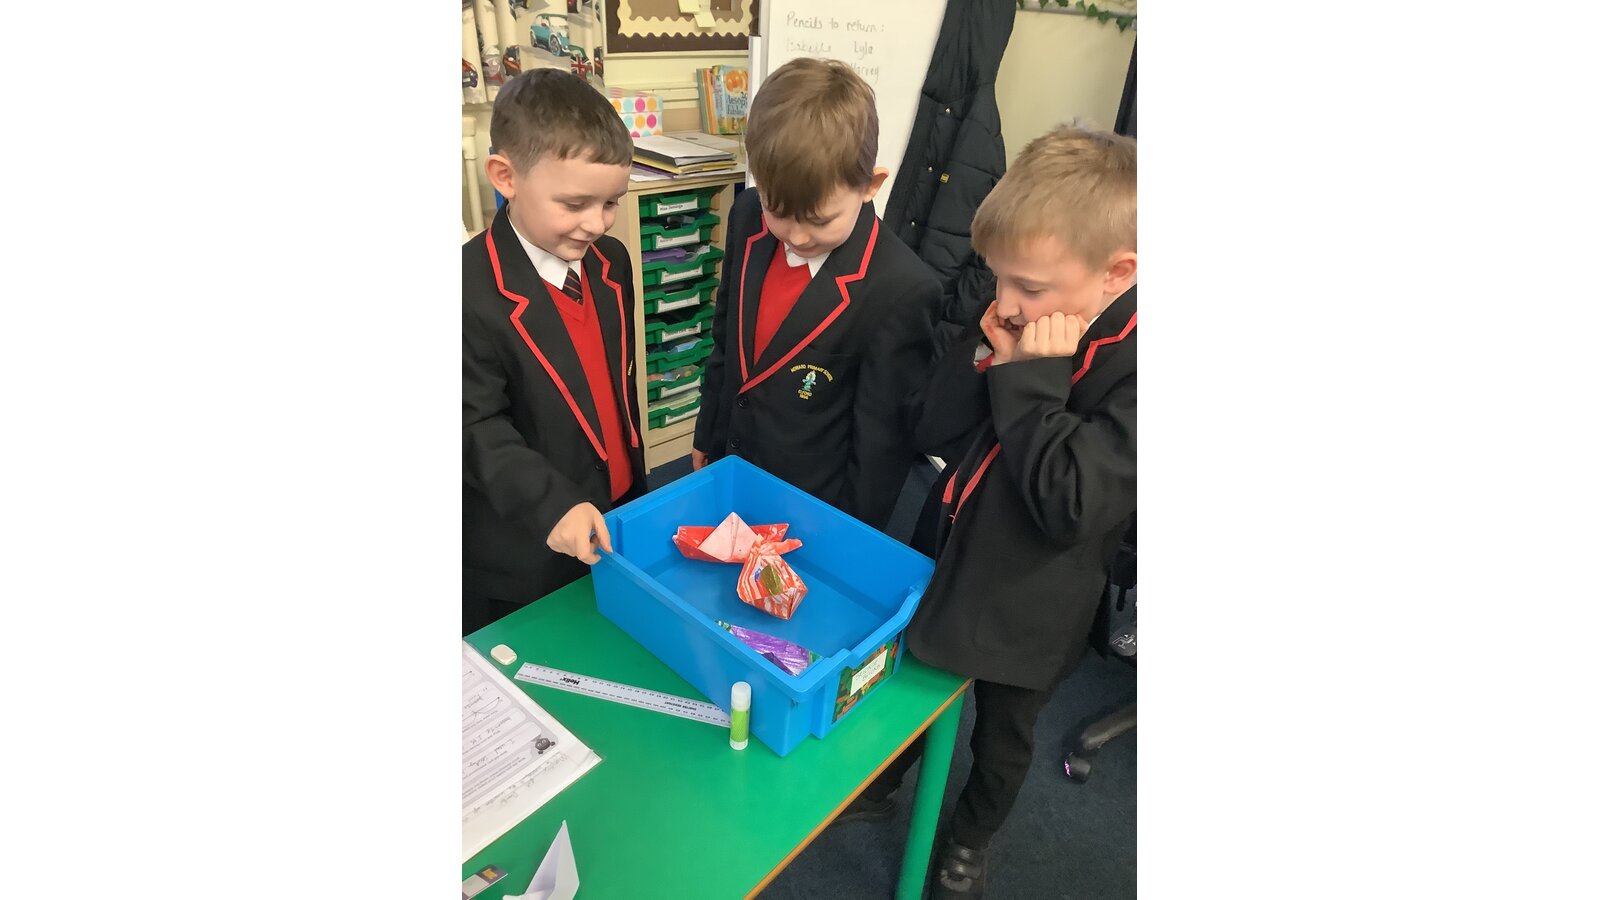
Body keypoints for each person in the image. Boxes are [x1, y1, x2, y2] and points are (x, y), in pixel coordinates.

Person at [840, 125, 1138, 900]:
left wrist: (1031, 374)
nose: (1005, 302)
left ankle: (970, 838)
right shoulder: (1015, 306)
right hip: (950, 549)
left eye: (1028, 288)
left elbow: (1070, 501)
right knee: (913, 686)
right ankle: (883, 782)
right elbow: (932, 428)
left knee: (1003, 738)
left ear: (1119, 272)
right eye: (997, 277)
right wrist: (984, 358)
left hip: (1036, 598)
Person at [691, 58, 940, 530]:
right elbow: (726, 338)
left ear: (870, 186)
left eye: (820, 220)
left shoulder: (901, 289)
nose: (797, 237)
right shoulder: (747, 216)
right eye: (778, 211)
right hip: (731, 468)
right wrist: (709, 433)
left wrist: (845, 538)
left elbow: (881, 446)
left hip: (810, 508)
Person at [462, 69, 644, 635]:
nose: (596, 223)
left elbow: (616, 388)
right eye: (574, 203)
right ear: (506, 177)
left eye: (610, 202)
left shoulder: (611, 262)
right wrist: (552, 504)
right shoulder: (466, 289)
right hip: (528, 545)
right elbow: (475, 426)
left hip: (615, 514)